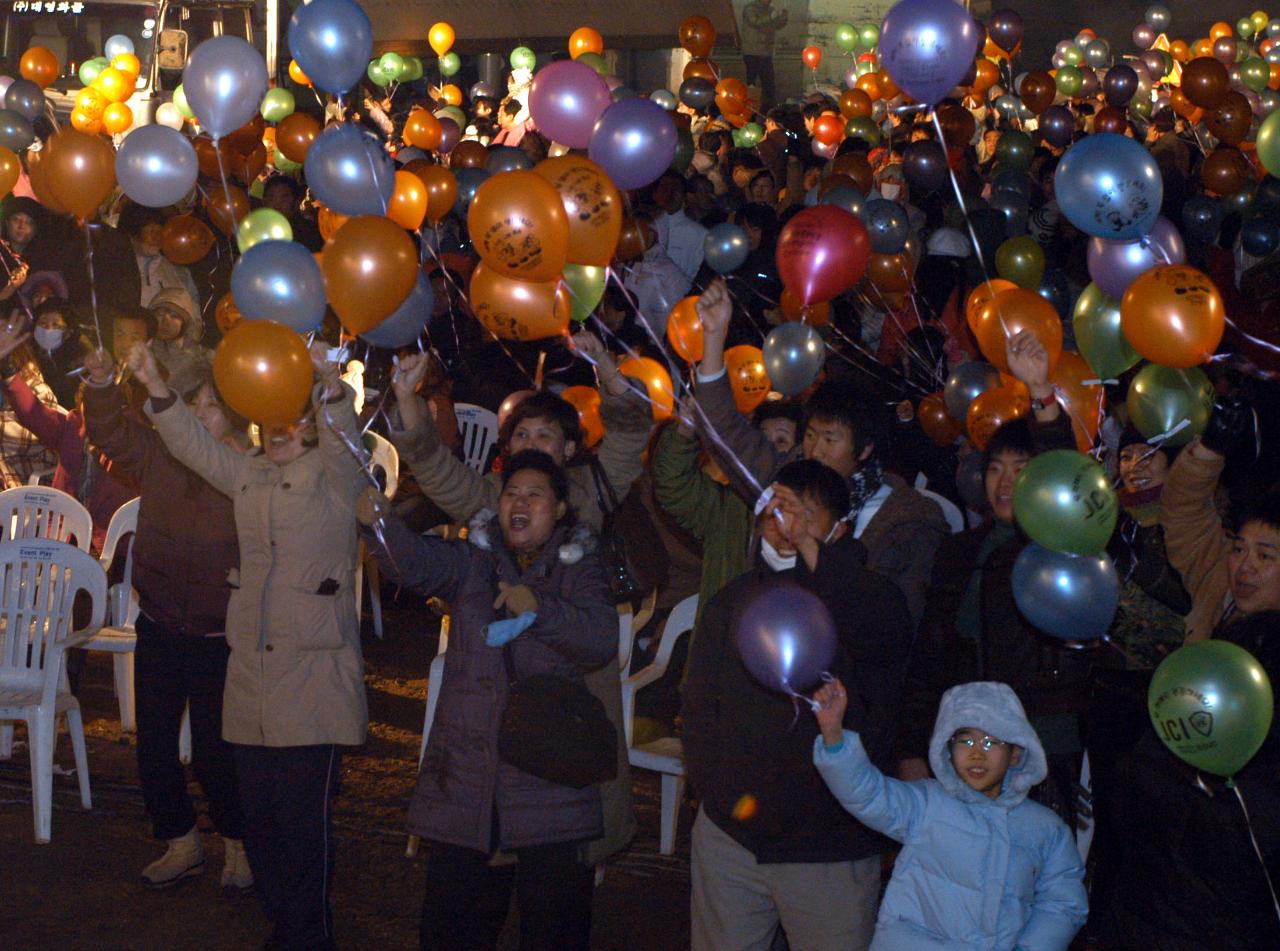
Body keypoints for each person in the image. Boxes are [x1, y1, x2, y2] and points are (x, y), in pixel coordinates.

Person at [128, 339, 368, 950]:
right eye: (274, 418)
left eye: (296, 418)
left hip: (313, 688)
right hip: (251, 685)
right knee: (260, 831)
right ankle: (285, 929)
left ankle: (304, 939)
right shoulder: (252, 473)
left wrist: (328, 391)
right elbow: (193, 445)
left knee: (301, 833)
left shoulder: (338, 475)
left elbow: (345, 438)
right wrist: (159, 390)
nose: (282, 429)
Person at [388, 339, 648, 868]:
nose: (531, 442)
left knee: (571, 803)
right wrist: (406, 397)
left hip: (572, 668)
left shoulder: (590, 489)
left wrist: (607, 371)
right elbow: (434, 466)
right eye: (522, 434)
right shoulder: (493, 494)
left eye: (545, 435)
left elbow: (631, 435)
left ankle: (578, 857)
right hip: (498, 676)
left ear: (570, 449)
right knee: (501, 797)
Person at [358, 450, 616, 951]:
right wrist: (378, 524)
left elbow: (600, 639)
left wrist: (541, 608)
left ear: (560, 509)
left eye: (534, 494)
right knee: (452, 926)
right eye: (510, 493)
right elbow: (412, 563)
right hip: (468, 777)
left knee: (550, 927)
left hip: (547, 780)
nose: (519, 502)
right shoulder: (474, 562)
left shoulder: (579, 567)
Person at [683, 460, 912, 951]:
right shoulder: (734, 599)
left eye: (805, 515)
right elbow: (701, 702)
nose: (786, 527)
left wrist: (814, 554)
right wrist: (713, 790)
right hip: (733, 839)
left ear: (840, 528)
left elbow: (882, 641)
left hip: (830, 849)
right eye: (776, 512)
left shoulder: (870, 598)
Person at [82, 351, 251, 892]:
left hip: (219, 632)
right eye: (192, 404)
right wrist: (104, 385)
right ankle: (181, 840)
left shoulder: (248, 470)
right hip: (159, 619)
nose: (201, 416)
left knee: (215, 753)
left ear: (236, 413)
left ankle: (238, 845)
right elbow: (110, 434)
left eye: (212, 407)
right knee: (153, 745)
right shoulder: (160, 452)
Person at [693, 278, 949, 624]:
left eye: (830, 440)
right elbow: (722, 427)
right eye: (811, 435)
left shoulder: (901, 519)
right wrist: (713, 336)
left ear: (864, 450)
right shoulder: (783, 478)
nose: (815, 450)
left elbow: (896, 620)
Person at [898, 331, 1088, 795]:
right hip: (962, 744)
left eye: (1020, 469)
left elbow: (1065, 470)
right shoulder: (959, 550)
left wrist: (1041, 392)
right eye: (996, 468)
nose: (1004, 482)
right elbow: (931, 653)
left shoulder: (1053, 549)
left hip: (1037, 748)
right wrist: (910, 747)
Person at [812, 679, 1089, 951]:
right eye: (965, 741)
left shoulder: (1045, 828)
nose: (977, 754)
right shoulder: (927, 804)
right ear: (947, 748)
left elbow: (1062, 903)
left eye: (991, 743)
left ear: (1015, 753)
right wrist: (834, 736)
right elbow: (869, 794)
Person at [30, 297, 88, 409]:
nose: (48, 329)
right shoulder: (27, 353)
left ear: (68, 331)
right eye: (43, 322)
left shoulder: (80, 358)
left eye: (55, 324)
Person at [146, 287, 209, 387]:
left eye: (174, 316)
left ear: (185, 324)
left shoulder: (198, 360)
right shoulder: (141, 351)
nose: (165, 322)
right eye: (160, 314)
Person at [651, 173, 708, 282]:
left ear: (684, 196)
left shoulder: (700, 235)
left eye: (675, 189)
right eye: (665, 188)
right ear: (654, 194)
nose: (670, 194)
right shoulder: (643, 227)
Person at [740, 0, 788, 106]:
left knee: (769, 83)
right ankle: (751, 108)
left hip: (766, 52)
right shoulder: (750, 8)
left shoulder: (770, 9)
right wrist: (771, 16)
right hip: (752, 52)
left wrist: (783, 17)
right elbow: (755, 22)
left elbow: (777, 25)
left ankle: (769, 108)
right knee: (752, 83)